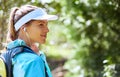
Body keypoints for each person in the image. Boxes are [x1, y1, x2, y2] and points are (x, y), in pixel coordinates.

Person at [6, 5, 58, 77]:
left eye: (46, 24)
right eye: (41, 24)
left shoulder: (9, 55)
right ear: (23, 28)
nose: (47, 30)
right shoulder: (33, 61)